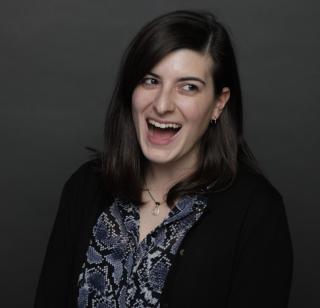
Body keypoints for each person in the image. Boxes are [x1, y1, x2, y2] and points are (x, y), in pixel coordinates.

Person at [34, 9, 293, 308]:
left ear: (218, 104)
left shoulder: (257, 213)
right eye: (150, 81)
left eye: (189, 87)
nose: (162, 104)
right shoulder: (85, 187)